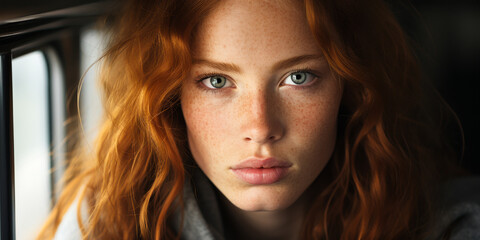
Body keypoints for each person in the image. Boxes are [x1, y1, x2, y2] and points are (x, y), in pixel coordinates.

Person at [38, 0, 480, 239]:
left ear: (350, 86)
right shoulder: (109, 222)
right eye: (215, 81)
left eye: (298, 77)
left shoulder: (452, 223)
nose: (261, 127)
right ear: (170, 97)